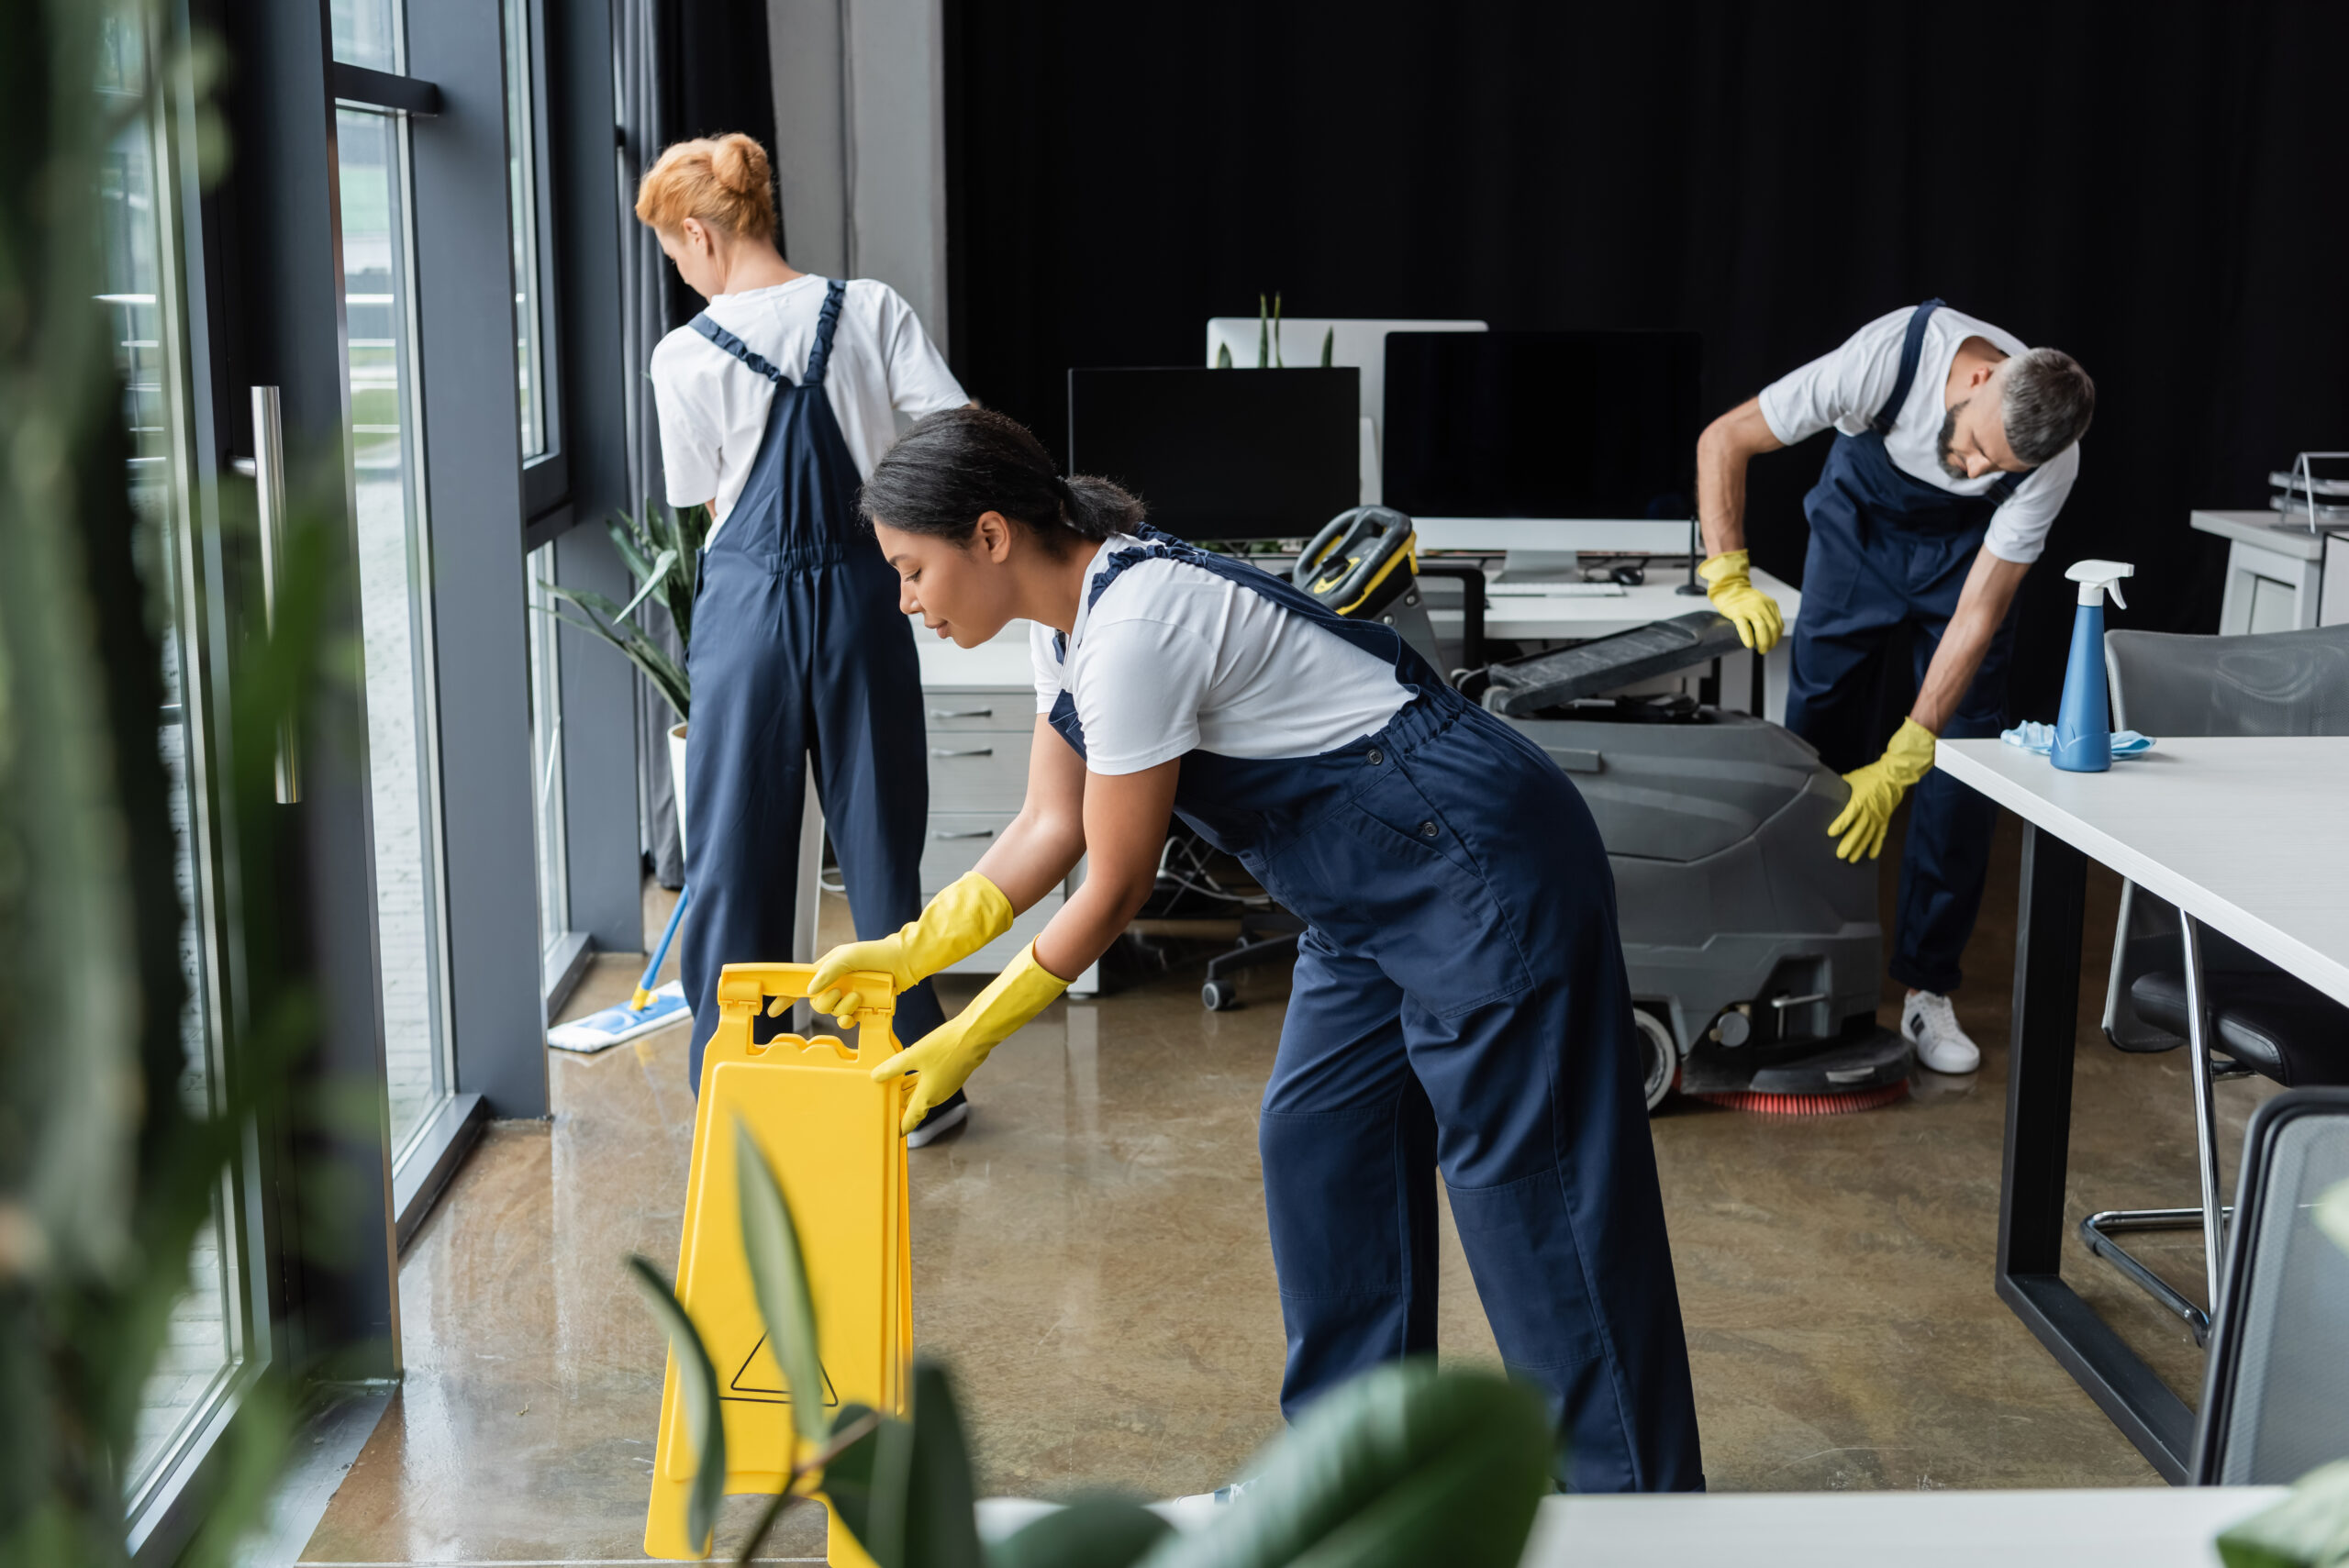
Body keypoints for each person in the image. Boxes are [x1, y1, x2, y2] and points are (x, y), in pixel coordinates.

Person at [807, 406, 1704, 1492]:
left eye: (912, 569)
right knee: (1322, 1139)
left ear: (989, 536)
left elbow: (1117, 881)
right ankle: (1352, 1472)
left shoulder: (1135, 627)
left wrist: (970, 1034)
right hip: (1368, 886)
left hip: (1474, 860)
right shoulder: (1066, 623)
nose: (906, 600)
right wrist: (907, 951)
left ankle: (1634, 1513)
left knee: (1536, 1194)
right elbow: (1050, 827)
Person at [635, 134, 971, 1128]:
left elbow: (704, 504)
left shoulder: (684, 354)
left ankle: (742, 1079)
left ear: (698, 233)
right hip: (866, 593)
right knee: (880, 853)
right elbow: (954, 438)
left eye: (676, 256)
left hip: (746, 611)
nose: (684, 278)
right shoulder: (869, 309)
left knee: (735, 852)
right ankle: (921, 1081)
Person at [1692, 299, 2095, 1074]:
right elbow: (1726, 438)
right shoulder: (1889, 358)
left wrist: (1913, 747)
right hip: (1861, 532)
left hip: (1961, 568)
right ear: (1977, 378)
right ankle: (1802, 970)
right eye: (1977, 444)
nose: (1974, 471)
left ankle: (1925, 991)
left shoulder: (2052, 460)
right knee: (1817, 741)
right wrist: (1726, 571)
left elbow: (1978, 613)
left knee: (1961, 765)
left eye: (1995, 470)